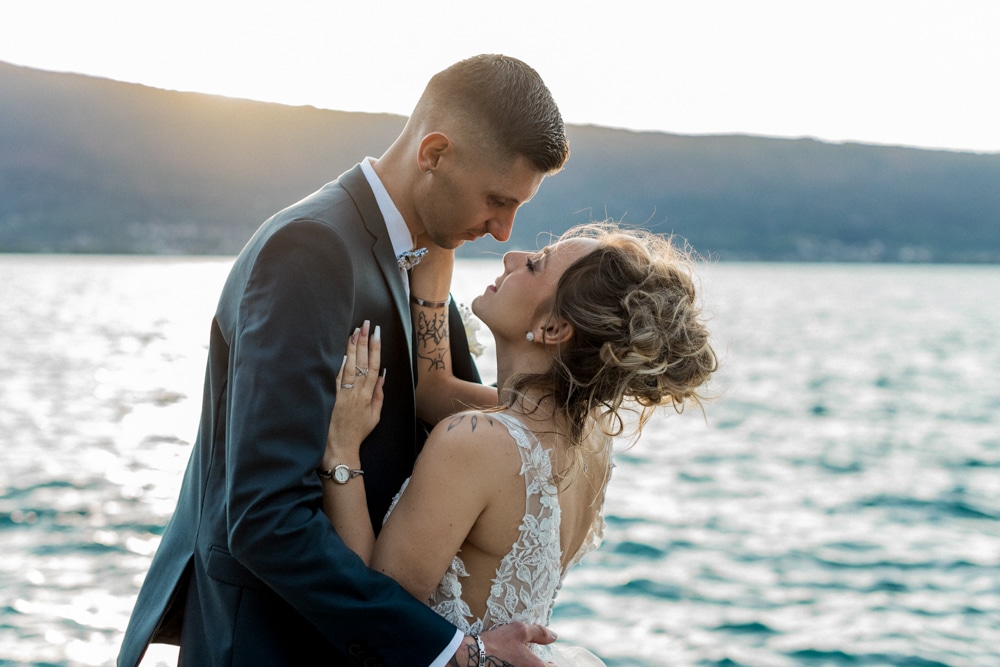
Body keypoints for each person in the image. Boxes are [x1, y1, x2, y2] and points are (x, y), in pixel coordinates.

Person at [117, 54, 569, 667]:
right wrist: (453, 653)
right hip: (274, 645)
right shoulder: (312, 249)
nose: (503, 230)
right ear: (434, 154)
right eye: (496, 199)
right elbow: (265, 516)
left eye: (517, 206)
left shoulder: (426, 268)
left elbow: (464, 422)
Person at [321, 223, 719, 664]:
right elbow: (433, 390)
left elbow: (373, 612)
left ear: (552, 328)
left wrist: (341, 450)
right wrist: (437, 259)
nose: (511, 258)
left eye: (533, 265)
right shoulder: (585, 438)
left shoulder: (478, 442)